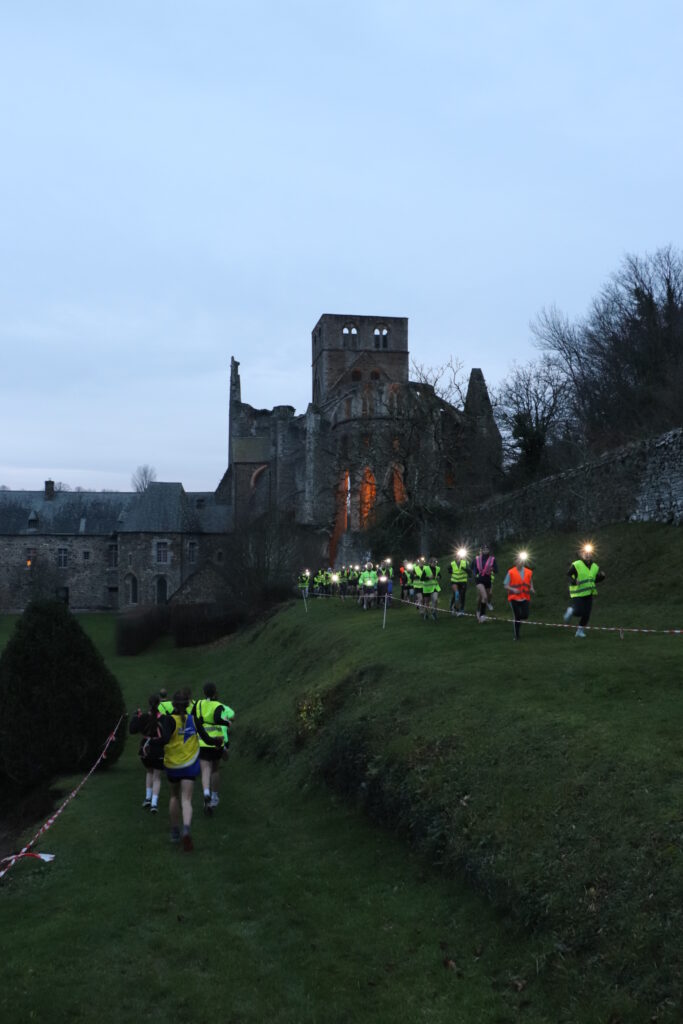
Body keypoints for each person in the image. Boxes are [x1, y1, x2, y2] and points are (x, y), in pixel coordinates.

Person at [159, 690, 202, 851]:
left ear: (173, 704)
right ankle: (186, 829)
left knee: (174, 796)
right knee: (187, 799)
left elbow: (163, 740)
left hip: (173, 766)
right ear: (189, 703)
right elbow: (206, 737)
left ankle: (175, 831)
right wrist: (218, 742)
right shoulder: (193, 719)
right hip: (190, 765)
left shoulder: (168, 720)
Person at [192, 682, 235, 814]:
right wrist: (226, 722)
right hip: (216, 742)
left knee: (205, 768)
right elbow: (217, 719)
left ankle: (206, 793)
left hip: (202, 742)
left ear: (204, 692)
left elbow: (193, 718)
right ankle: (215, 797)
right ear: (215, 692)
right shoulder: (218, 706)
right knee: (215, 770)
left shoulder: (198, 704)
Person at [129, 694, 164, 812]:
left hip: (145, 749)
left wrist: (135, 717)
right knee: (157, 777)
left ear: (149, 704)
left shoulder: (143, 717)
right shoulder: (163, 718)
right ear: (159, 704)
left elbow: (132, 730)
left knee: (149, 772)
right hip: (158, 749)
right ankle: (154, 804)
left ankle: (148, 798)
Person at [563, 545, 606, 638]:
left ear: (592, 555)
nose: (587, 555)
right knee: (579, 611)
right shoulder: (576, 564)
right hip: (578, 593)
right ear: (581, 554)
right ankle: (570, 611)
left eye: (589, 553)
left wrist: (601, 577)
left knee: (586, 614)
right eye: (585, 553)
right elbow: (568, 575)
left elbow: (593, 580)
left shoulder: (595, 566)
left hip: (589, 593)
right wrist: (574, 581)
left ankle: (579, 632)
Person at [504, 553, 535, 640]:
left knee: (525, 615)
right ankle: (516, 635)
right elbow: (505, 585)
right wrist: (513, 589)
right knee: (517, 616)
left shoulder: (528, 572)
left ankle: (517, 620)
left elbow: (530, 580)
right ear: (515, 562)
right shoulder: (511, 572)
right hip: (514, 598)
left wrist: (532, 587)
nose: (520, 563)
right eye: (518, 561)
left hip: (525, 597)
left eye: (521, 561)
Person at [474, 544, 497, 622]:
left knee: (482, 598)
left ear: (489, 550)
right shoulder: (477, 559)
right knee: (485, 597)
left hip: (488, 580)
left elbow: (496, 570)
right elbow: (474, 569)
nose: (485, 550)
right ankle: (482, 615)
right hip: (479, 580)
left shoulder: (492, 559)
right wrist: (474, 575)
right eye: (484, 549)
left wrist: (493, 569)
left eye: (487, 549)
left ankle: (479, 612)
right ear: (481, 550)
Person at [449, 550, 469, 616]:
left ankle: (461, 609)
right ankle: (452, 607)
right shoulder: (452, 563)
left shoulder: (465, 562)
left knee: (462, 595)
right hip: (454, 581)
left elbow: (469, 571)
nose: (458, 557)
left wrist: (466, 569)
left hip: (463, 581)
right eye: (457, 556)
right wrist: (451, 571)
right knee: (456, 594)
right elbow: (448, 569)